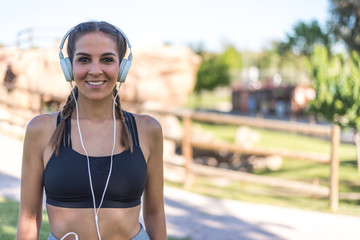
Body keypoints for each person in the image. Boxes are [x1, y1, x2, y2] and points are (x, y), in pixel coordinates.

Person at [16, 21, 167, 240]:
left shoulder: (148, 130)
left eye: (107, 59)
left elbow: (155, 212)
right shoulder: (41, 130)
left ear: (122, 68)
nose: (95, 70)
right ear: (68, 67)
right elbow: (29, 217)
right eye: (84, 59)